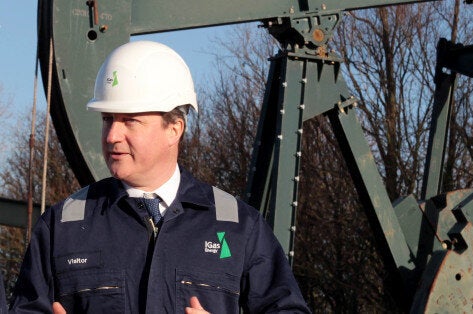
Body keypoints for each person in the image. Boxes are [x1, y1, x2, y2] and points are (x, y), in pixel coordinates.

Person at [9, 41, 310, 313]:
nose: (113, 135)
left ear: (174, 129)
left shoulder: (238, 226)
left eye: (131, 121)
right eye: (107, 120)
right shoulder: (61, 226)